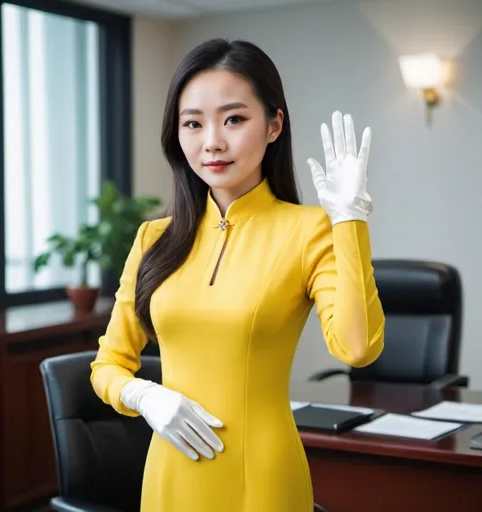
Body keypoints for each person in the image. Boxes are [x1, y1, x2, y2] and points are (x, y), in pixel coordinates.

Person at [90, 38, 385, 512]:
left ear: (274, 125)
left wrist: (349, 219)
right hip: (169, 473)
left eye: (234, 119)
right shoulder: (153, 239)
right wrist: (145, 396)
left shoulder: (308, 230)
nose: (212, 142)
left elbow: (358, 347)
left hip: (261, 476)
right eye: (193, 123)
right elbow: (107, 366)